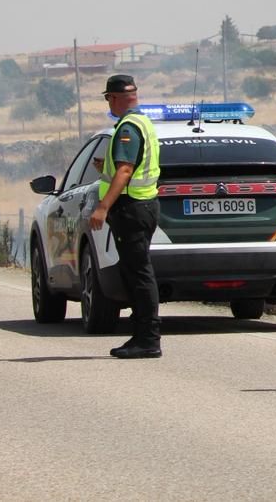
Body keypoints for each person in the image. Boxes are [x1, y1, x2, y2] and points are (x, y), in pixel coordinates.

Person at [89, 74, 163, 359]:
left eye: (108, 98)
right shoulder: (144, 122)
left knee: (139, 274)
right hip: (144, 206)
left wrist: (103, 206)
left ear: (115, 98)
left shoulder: (127, 127)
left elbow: (125, 171)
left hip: (132, 209)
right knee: (137, 271)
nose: (109, 103)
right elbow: (124, 167)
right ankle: (144, 335)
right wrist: (104, 166)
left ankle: (147, 338)